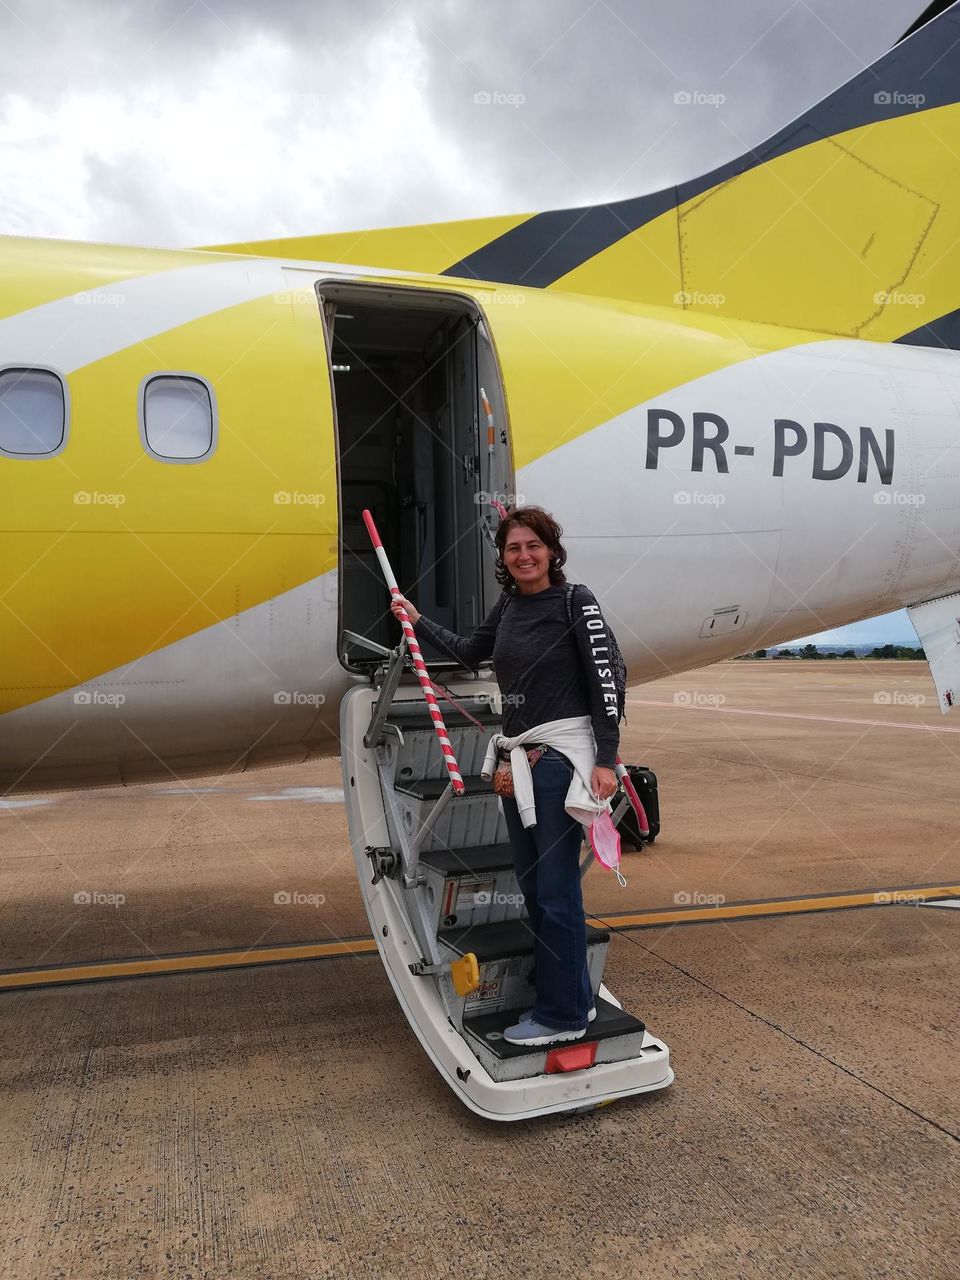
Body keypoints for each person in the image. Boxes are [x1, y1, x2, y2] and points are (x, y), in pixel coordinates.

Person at [390, 505, 619, 1046]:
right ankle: (576, 1004)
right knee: (537, 889)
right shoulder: (511, 606)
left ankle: (560, 1017)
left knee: (555, 892)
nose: (523, 556)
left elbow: (606, 679)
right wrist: (417, 620)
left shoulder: (574, 601)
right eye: (513, 548)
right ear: (503, 557)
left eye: (533, 546)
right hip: (520, 761)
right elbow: (471, 651)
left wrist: (607, 759)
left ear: (552, 551)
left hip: (558, 761)